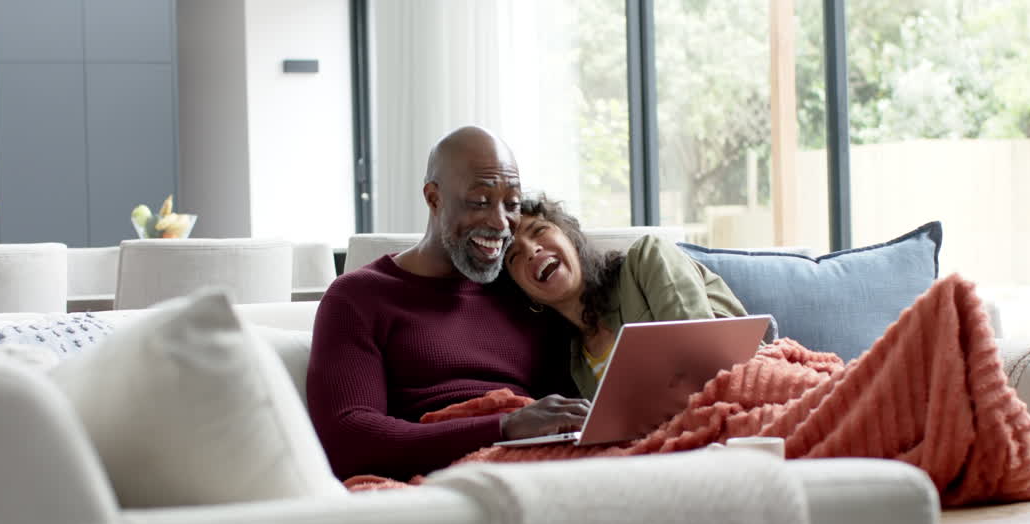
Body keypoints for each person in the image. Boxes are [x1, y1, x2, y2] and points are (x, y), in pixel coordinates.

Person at [306, 127, 589, 481]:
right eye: (480, 202)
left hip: (544, 468)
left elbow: (566, 411)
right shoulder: (357, 299)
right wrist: (504, 427)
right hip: (454, 479)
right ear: (434, 198)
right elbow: (347, 439)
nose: (501, 223)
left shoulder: (521, 291)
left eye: (512, 204)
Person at [504, 195, 748, 399]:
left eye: (538, 230)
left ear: (571, 238)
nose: (531, 249)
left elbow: (704, 360)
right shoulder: (575, 364)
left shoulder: (648, 258)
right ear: (527, 294)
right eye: (514, 256)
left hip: (740, 392)